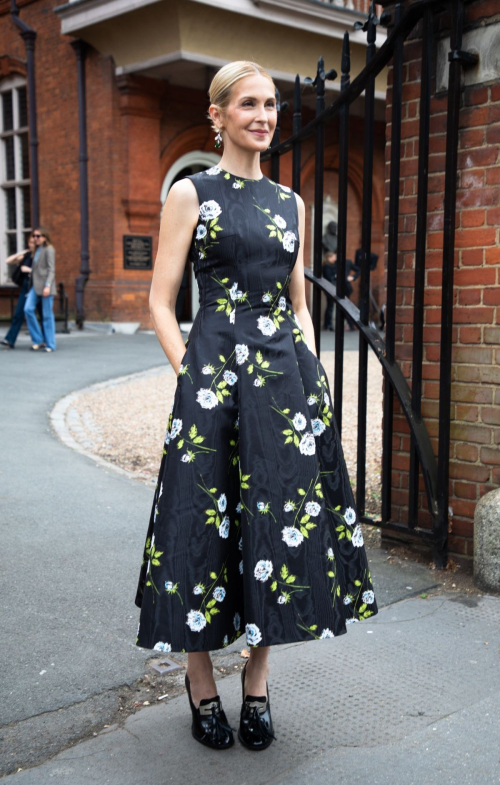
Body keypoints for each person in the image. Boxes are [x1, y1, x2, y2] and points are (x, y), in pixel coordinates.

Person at [135, 60, 377, 752]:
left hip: (282, 385)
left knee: (278, 528)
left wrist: (311, 380)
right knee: (200, 524)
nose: (263, 115)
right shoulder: (192, 193)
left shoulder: (290, 204)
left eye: (270, 104)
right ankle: (201, 679)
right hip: (213, 379)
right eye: (248, 103)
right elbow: (160, 300)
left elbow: (300, 305)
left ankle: (259, 683)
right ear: (219, 115)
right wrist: (192, 376)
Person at [24, 227, 57, 352]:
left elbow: (51, 269)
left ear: (44, 237)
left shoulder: (49, 249)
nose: (35, 238)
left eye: (38, 236)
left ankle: (50, 344)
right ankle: (38, 339)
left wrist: (47, 285)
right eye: (34, 236)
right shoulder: (37, 249)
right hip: (35, 286)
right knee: (27, 309)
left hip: (45, 286)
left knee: (47, 315)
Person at [1, 234, 36, 349]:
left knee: (39, 313)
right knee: (18, 313)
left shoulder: (40, 255)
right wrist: (19, 253)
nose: (31, 244)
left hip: (36, 287)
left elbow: (44, 271)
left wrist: (29, 269)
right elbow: (8, 261)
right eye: (30, 242)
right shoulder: (26, 255)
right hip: (25, 287)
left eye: (33, 242)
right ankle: (10, 339)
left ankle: (42, 340)